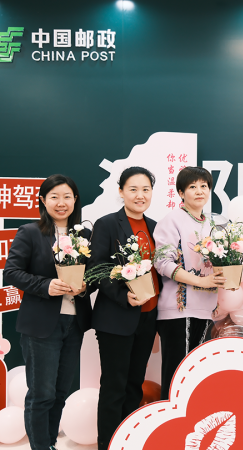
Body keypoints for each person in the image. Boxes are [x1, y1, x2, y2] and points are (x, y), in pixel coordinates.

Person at [4, 174, 91, 450]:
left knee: (60, 392)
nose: (61, 203)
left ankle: (50, 443)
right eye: (54, 197)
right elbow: (11, 272)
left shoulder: (84, 236)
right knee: (41, 394)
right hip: (41, 325)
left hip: (74, 323)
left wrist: (85, 286)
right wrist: (46, 285)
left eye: (67, 196)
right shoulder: (30, 232)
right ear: (43, 200)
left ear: (75, 200)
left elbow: (93, 274)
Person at [88, 167, 162, 450]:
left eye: (146, 189)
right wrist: (123, 295)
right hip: (116, 318)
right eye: (133, 189)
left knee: (134, 385)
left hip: (148, 318)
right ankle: (107, 444)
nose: (140, 195)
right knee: (114, 386)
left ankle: (128, 441)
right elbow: (96, 269)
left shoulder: (155, 227)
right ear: (121, 191)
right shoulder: (107, 224)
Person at [153, 166, 225, 400]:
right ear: (181, 193)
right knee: (177, 378)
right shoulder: (172, 220)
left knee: (197, 379)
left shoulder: (212, 225)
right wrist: (201, 281)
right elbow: (162, 262)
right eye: (192, 187)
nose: (199, 191)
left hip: (206, 310)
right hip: (178, 312)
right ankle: (170, 422)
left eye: (204, 186)